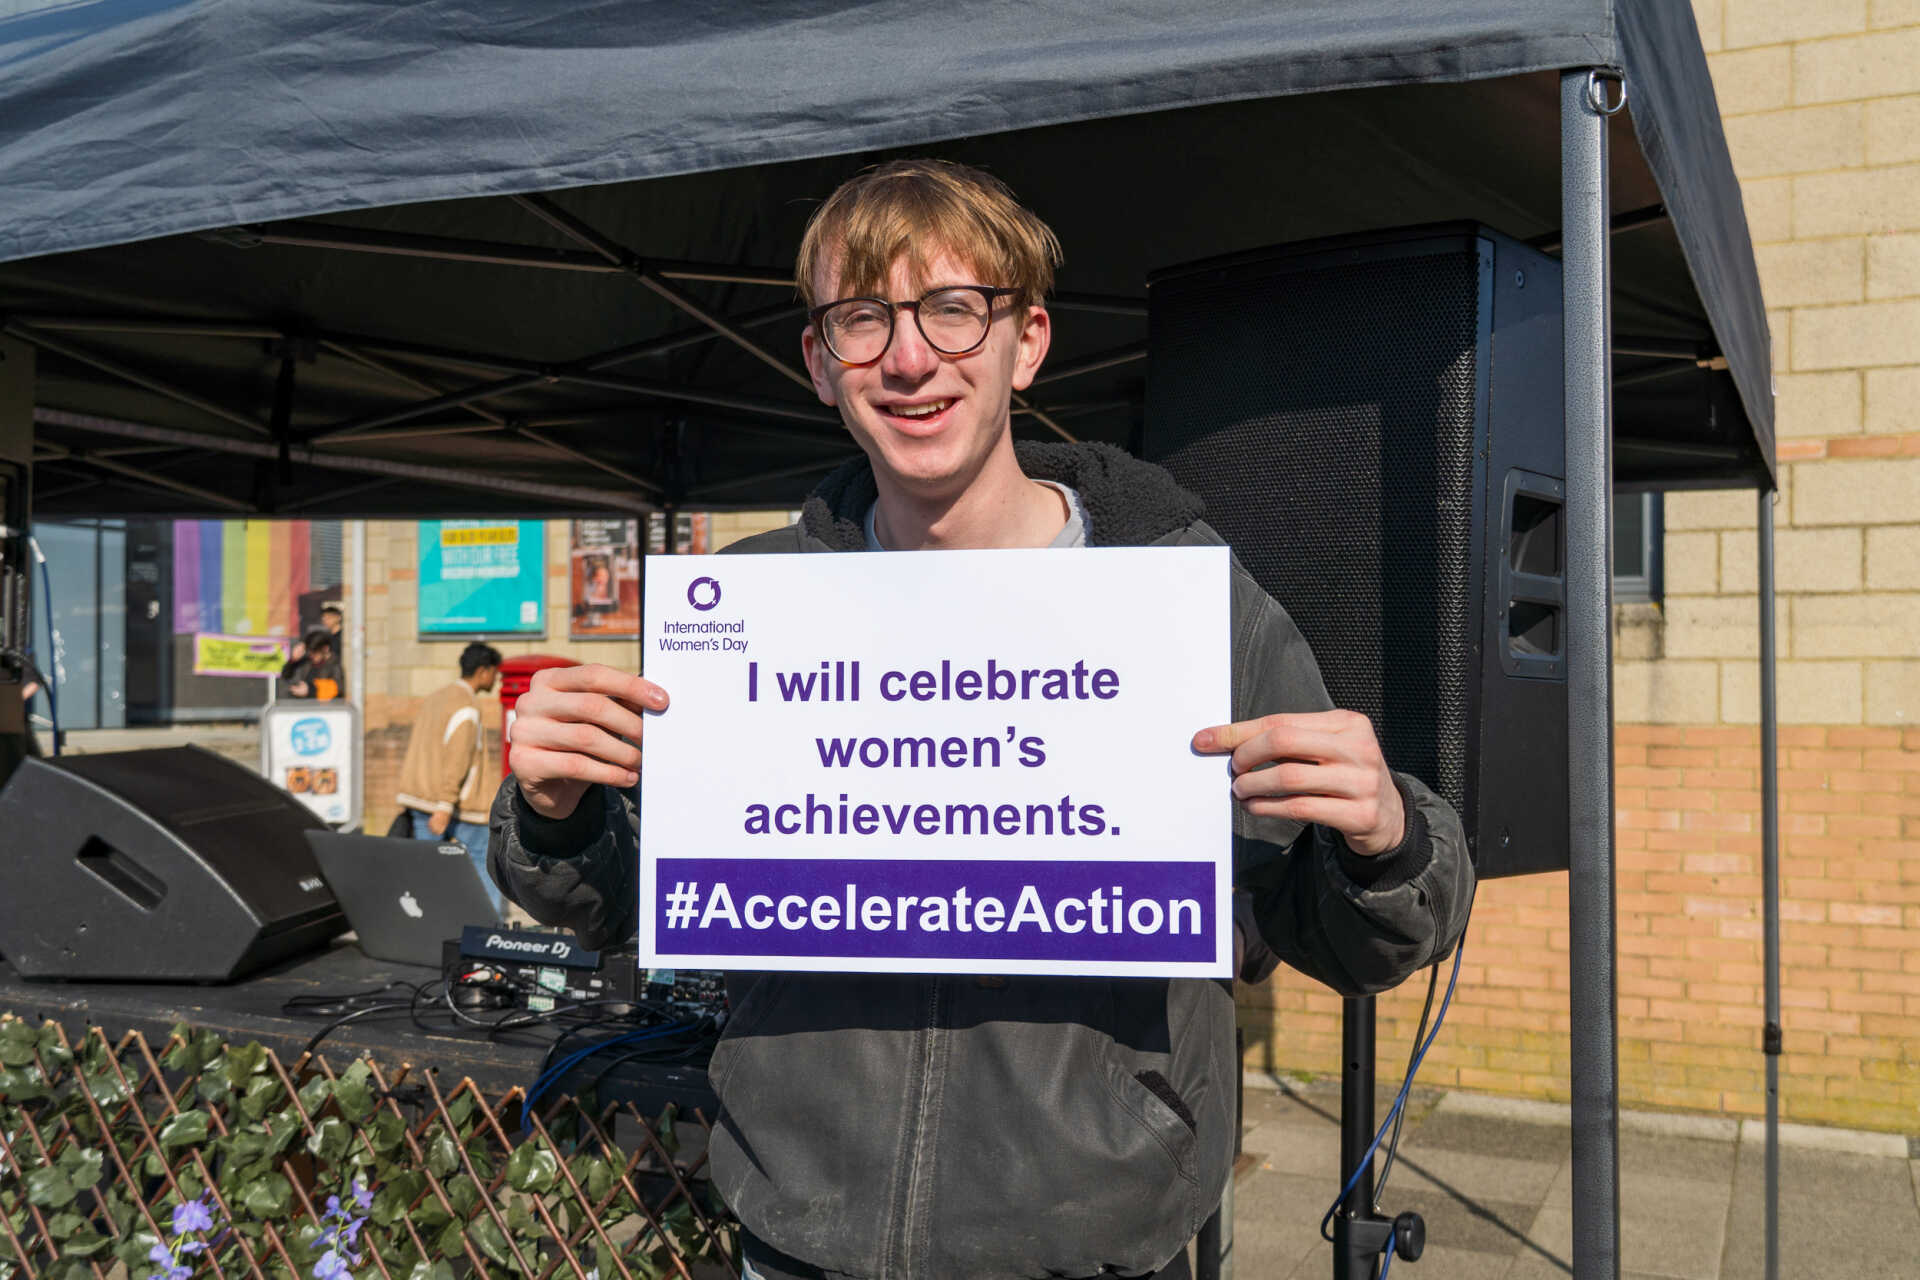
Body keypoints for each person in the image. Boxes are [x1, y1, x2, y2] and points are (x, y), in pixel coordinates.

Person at [489, 160, 1474, 1280]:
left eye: (953, 309)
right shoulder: (752, 606)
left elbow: (1345, 935)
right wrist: (557, 811)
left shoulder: (1185, 599)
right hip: (802, 1238)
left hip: (1090, 1246)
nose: (910, 358)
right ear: (820, 362)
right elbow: (630, 902)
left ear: (1027, 341)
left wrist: (1387, 838)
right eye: (863, 319)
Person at [396, 641, 503, 914]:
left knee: (427, 868)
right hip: (456, 804)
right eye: (495, 672)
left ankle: (425, 921)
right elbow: (459, 758)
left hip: (421, 798)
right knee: (482, 859)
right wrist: (445, 804)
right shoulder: (467, 706)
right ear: (483, 671)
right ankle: (489, 924)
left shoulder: (435, 698)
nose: (496, 679)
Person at [280, 628, 342, 700]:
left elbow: (338, 689)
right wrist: (293, 660)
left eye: (314, 651)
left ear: (325, 648)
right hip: (302, 704)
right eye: (309, 652)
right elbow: (285, 675)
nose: (311, 655)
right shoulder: (307, 662)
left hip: (321, 706)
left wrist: (311, 691)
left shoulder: (335, 665)